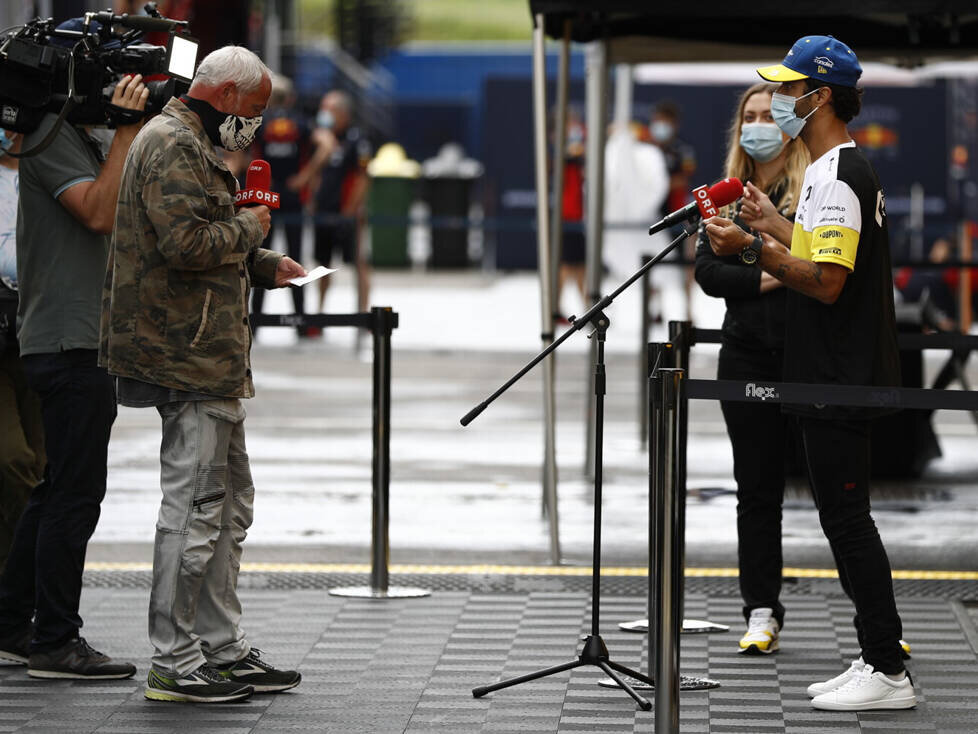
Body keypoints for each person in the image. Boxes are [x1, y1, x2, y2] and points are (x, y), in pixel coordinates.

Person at [706, 35, 916, 711]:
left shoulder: (841, 177)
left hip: (837, 373)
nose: (782, 104)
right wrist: (773, 226)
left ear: (820, 98)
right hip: (828, 372)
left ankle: (886, 668)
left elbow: (825, 283)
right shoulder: (830, 174)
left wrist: (753, 249)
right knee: (841, 517)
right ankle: (875, 657)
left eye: (791, 92)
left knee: (849, 521)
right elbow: (822, 255)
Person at [101, 45, 304, 703]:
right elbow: (186, 245)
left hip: (212, 357)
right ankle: (175, 659)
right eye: (256, 109)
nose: (259, 123)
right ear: (224, 94)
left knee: (228, 507)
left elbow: (204, 233)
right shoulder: (171, 143)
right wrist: (252, 226)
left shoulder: (197, 144)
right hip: (183, 356)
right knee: (193, 511)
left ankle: (220, 649)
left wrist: (265, 262)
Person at [0, 68, 147, 679]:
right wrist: (126, 131)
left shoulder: (79, 139)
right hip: (68, 343)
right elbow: (96, 212)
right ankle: (56, 641)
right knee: (74, 497)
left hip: (81, 341)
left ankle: (11, 623)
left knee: (55, 487)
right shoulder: (53, 139)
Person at [694, 83, 809, 655]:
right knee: (756, 491)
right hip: (744, 353)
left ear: (790, 123)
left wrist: (759, 257)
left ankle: (876, 623)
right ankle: (761, 610)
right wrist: (770, 271)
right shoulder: (725, 194)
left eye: (768, 115)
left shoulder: (816, 185)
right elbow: (709, 275)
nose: (758, 125)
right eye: (749, 117)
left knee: (842, 497)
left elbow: (825, 265)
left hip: (811, 356)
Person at [0, 130, 46, 576]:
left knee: (43, 462)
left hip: (38, 333)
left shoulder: (47, 167)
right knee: (13, 460)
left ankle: (21, 587)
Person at [292, 90, 371, 319]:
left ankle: (364, 316)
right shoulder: (320, 139)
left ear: (343, 113)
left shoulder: (357, 140)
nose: (324, 114)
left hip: (347, 215)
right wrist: (312, 201)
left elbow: (363, 177)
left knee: (359, 265)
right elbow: (316, 174)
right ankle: (320, 313)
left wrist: (350, 210)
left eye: (330, 109)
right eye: (323, 108)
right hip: (323, 214)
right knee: (322, 264)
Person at [250, 73, 312, 337]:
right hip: (293, 198)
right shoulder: (301, 124)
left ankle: (256, 322)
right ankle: (300, 323)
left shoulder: (260, 124)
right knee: (296, 260)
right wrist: (304, 178)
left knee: (262, 257)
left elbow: (249, 153)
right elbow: (321, 146)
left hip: (268, 197)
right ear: (292, 98)